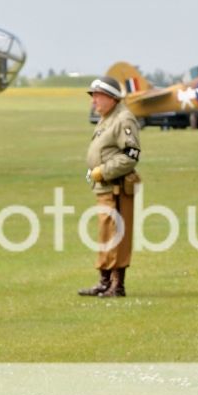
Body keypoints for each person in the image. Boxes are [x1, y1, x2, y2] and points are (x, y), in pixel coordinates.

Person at [77, 76, 141, 298]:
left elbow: (131, 155)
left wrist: (103, 171)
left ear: (112, 98)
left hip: (117, 188)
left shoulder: (123, 119)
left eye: (97, 96)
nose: (94, 101)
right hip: (104, 189)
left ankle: (117, 284)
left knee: (117, 236)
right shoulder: (106, 118)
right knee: (106, 234)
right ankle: (104, 282)